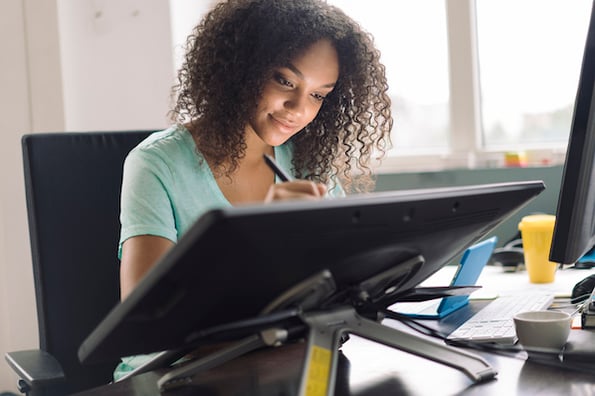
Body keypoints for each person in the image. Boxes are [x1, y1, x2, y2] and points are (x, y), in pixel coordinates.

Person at [114, 0, 392, 379]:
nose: (297, 108)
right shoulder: (156, 165)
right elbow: (148, 326)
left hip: (277, 364)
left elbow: (337, 291)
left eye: (318, 95)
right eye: (284, 81)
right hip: (176, 378)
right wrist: (257, 235)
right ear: (240, 68)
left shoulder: (309, 163)